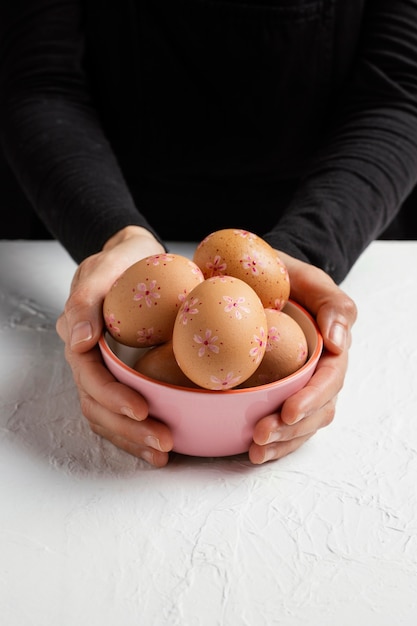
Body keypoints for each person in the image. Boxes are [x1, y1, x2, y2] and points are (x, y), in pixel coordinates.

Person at [1, 1, 416, 467]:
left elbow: (398, 90)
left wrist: (304, 252)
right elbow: (40, 80)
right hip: (105, 188)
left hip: (318, 195)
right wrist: (116, 237)